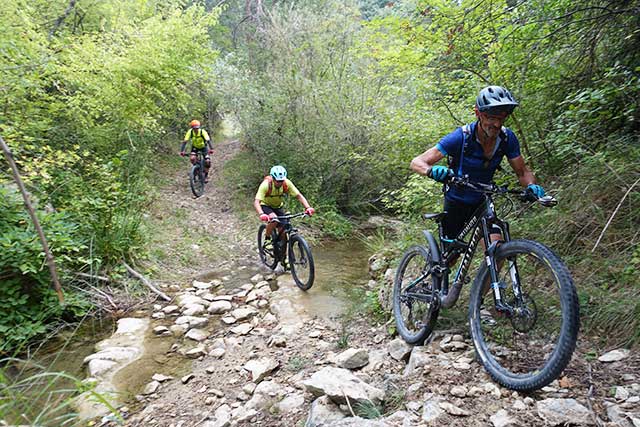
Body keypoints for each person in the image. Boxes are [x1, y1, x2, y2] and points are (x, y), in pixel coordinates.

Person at [410, 85, 545, 250]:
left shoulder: (507, 138)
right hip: (456, 202)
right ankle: (438, 274)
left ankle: (488, 276)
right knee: (450, 257)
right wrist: (431, 170)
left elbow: (522, 172)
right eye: (491, 117)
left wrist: (531, 186)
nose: (496, 124)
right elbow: (417, 162)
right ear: (478, 113)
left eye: (501, 118)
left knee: (496, 249)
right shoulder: (461, 137)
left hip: (482, 202)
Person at [254, 165, 315, 268]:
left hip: (278, 206)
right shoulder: (266, 185)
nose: (280, 183)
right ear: (273, 178)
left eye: (281, 181)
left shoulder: (286, 183)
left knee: (284, 236)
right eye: (278, 181)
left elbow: (299, 195)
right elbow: (256, 202)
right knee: (274, 219)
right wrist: (261, 214)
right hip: (265, 206)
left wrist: (308, 207)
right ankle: (267, 239)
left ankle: (284, 259)